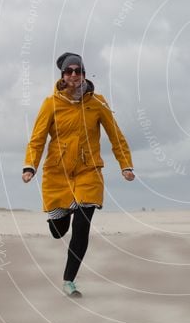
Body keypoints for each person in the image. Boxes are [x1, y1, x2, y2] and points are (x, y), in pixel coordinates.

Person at [22, 52, 134, 297]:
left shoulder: (98, 102)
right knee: (58, 231)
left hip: (88, 172)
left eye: (79, 71)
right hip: (57, 174)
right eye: (69, 71)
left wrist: (125, 165)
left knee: (82, 226)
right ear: (62, 75)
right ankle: (58, 218)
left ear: (84, 73)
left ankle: (69, 281)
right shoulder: (50, 103)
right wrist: (30, 166)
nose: (74, 75)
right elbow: (37, 138)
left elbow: (116, 135)